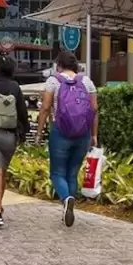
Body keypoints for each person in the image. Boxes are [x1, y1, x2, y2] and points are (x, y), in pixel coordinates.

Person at [35, 51, 97, 227]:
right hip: (82, 134)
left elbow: (46, 108)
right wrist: (94, 135)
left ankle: (66, 199)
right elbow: (94, 110)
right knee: (72, 173)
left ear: (58, 65)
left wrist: (39, 133)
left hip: (60, 132)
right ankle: (68, 207)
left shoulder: (53, 81)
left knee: (57, 173)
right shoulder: (87, 81)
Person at [0, 53, 29, 229]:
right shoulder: (15, 86)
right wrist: (23, 133)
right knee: (0, 173)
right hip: (10, 136)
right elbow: (22, 113)